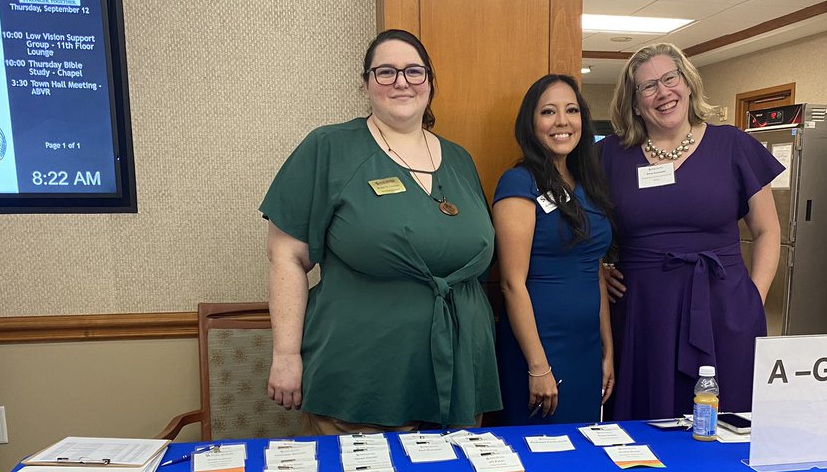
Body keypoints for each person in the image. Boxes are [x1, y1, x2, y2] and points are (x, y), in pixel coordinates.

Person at [260, 29, 501, 433]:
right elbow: (286, 256)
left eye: (413, 71)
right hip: (364, 375)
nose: (401, 82)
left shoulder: (459, 159)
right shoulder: (330, 148)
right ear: (366, 84)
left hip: (461, 369)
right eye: (385, 72)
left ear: (430, 82)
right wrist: (286, 354)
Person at [600, 43, 783, 418]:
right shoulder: (610, 155)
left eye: (671, 78)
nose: (663, 92)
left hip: (723, 306)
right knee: (646, 422)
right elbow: (585, 228)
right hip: (643, 310)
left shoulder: (732, 145)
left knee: (726, 420)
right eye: (648, 87)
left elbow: (767, 230)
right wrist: (599, 272)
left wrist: (753, 298)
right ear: (634, 104)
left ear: (688, 84)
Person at [492, 74, 615, 424]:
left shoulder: (590, 185)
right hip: (539, 346)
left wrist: (608, 351)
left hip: (586, 347)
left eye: (572, 110)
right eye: (548, 112)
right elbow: (511, 284)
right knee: (536, 455)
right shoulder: (519, 182)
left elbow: (595, 271)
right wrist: (537, 365)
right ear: (531, 124)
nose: (562, 121)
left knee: (582, 452)